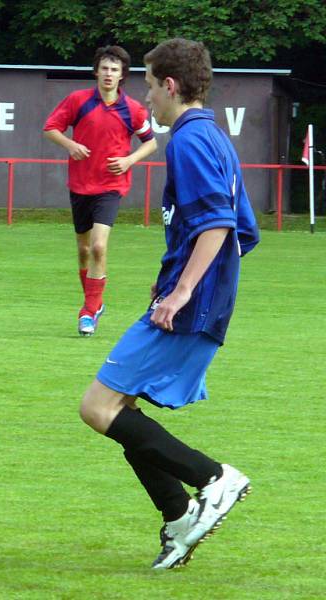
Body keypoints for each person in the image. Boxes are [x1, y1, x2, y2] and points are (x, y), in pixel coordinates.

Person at [78, 38, 260, 569]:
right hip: (196, 297)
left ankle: (214, 478)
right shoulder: (212, 136)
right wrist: (176, 275)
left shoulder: (188, 139)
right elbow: (242, 230)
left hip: (192, 303)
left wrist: (183, 290)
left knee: (98, 406)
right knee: (123, 404)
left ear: (170, 86)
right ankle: (179, 517)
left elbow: (221, 225)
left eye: (150, 85)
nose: (147, 96)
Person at [43, 45, 158, 336]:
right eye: (104, 68)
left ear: (122, 76)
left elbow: (151, 142)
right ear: (96, 71)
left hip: (111, 185)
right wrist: (70, 145)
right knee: (83, 250)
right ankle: (94, 302)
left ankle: (88, 311)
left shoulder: (132, 109)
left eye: (115, 70)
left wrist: (129, 159)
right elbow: (51, 128)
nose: (109, 74)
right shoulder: (78, 100)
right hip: (80, 185)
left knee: (98, 246)